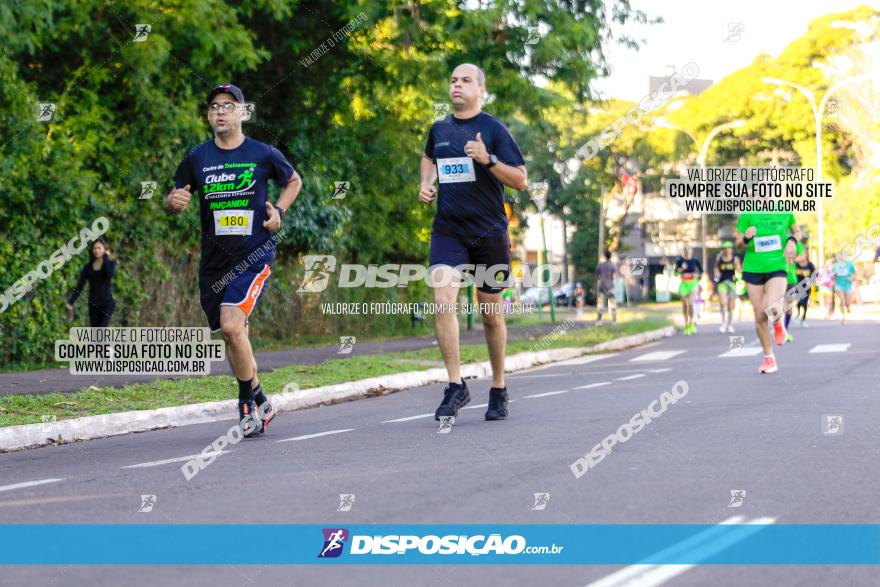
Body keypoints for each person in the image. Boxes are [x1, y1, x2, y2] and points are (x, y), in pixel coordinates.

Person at [166, 83, 302, 437]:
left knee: (231, 325)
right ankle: (260, 398)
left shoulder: (263, 153)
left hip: (254, 255)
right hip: (214, 263)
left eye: (228, 106)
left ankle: (245, 403)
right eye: (214, 107)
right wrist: (173, 201)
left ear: (243, 113)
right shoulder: (197, 158)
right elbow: (177, 194)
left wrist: (280, 212)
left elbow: (294, 180)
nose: (220, 112)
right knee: (233, 335)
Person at [419, 63, 527, 422]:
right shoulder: (439, 129)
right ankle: (455, 384)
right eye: (453, 80)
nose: (457, 85)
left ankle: (498, 387)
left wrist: (488, 159)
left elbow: (521, 180)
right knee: (442, 297)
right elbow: (428, 156)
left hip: (489, 232)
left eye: (466, 80)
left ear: (481, 90)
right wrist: (426, 183)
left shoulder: (494, 129)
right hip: (449, 230)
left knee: (491, 316)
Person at [736, 211, 800, 373]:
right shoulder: (747, 213)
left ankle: (778, 323)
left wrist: (792, 240)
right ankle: (769, 358)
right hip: (753, 267)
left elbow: (797, 231)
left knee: (772, 305)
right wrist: (746, 238)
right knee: (759, 315)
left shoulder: (785, 210)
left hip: (777, 265)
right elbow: (739, 243)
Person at [67, 239, 117, 327]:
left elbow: (109, 274)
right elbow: (80, 286)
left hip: (107, 303)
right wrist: (71, 302)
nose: (96, 250)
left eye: (99, 248)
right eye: (94, 248)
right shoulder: (88, 267)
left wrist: (105, 257)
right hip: (93, 304)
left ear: (104, 249)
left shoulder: (110, 263)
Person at [673, 245, 702, 335]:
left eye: (688, 250)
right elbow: (675, 273)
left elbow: (701, 272)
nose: (686, 251)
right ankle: (686, 326)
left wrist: (696, 275)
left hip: (693, 283)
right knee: (685, 306)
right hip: (684, 284)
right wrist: (681, 268)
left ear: (691, 251)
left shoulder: (695, 261)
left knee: (690, 303)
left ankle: (691, 323)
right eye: (685, 249)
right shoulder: (679, 261)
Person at [713, 241, 741, 334]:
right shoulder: (720, 259)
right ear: (723, 250)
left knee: (731, 305)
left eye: (729, 248)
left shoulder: (734, 259)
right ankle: (723, 322)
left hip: (732, 283)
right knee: (722, 302)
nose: (727, 250)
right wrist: (716, 273)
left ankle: (730, 324)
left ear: (731, 250)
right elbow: (716, 269)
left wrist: (737, 268)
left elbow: (739, 270)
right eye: (725, 248)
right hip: (722, 282)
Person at [782, 240, 806, 343]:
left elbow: (803, 256)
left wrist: (794, 259)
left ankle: (784, 331)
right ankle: (779, 328)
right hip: (775, 276)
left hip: (790, 278)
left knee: (788, 307)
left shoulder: (794, 241)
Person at [793, 252, 816, 327]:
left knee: (805, 302)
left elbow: (815, 274)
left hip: (806, 286)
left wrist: (809, 278)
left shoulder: (810, 265)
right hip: (797, 286)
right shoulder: (795, 265)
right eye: (800, 254)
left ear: (806, 255)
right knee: (799, 300)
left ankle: (803, 319)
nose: (801, 256)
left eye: (803, 254)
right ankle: (798, 314)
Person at [831, 256, 856, 324]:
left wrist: (852, 278)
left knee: (848, 302)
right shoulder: (835, 266)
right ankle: (843, 317)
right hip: (839, 284)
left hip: (848, 285)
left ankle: (848, 307)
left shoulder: (850, 265)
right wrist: (833, 281)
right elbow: (832, 275)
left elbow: (855, 274)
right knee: (842, 300)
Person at [596, 251, 617, 324]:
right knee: (612, 304)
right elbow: (613, 277)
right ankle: (613, 321)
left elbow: (598, 276)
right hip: (610, 287)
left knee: (600, 304)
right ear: (610, 256)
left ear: (604, 256)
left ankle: (599, 321)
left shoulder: (600, 265)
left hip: (601, 287)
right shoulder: (612, 265)